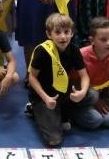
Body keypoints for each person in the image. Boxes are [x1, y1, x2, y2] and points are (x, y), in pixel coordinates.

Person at [27, 12, 92, 148]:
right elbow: (32, 77)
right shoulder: (42, 51)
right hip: (44, 96)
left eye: (66, 32)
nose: (63, 37)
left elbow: (84, 76)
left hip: (63, 92)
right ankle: (35, 109)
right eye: (57, 32)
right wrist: (46, 98)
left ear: (72, 33)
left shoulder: (74, 50)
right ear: (49, 34)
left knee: (92, 94)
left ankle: (61, 112)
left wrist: (82, 92)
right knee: (54, 140)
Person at [75, 17, 109, 132]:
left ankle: (93, 110)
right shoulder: (81, 56)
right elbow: (73, 84)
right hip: (83, 96)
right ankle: (72, 112)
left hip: (102, 96)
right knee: (95, 120)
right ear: (92, 40)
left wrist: (106, 98)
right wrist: (95, 101)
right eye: (103, 40)